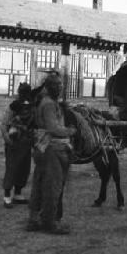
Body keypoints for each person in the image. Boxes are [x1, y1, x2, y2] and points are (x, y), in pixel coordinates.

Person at [27, 74, 76, 234]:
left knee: (40, 184)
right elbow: (53, 129)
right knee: (52, 186)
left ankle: (34, 220)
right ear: (49, 87)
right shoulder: (48, 104)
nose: (60, 88)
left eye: (61, 85)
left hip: (44, 148)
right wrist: (70, 131)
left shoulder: (49, 102)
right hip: (51, 149)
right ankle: (50, 222)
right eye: (57, 85)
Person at [0, 82, 34, 208]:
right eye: (23, 92)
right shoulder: (14, 106)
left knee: (24, 169)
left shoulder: (31, 106)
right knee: (12, 168)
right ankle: (7, 196)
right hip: (14, 143)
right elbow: (3, 124)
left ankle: (18, 194)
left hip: (26, 143)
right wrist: (8, 139)